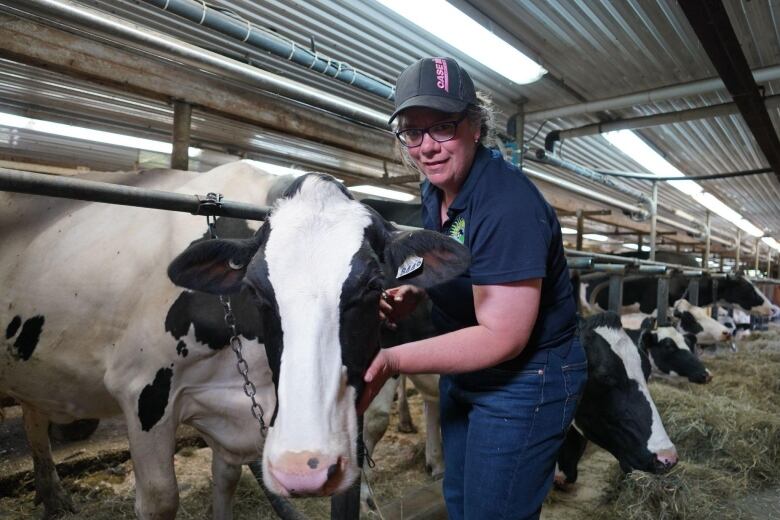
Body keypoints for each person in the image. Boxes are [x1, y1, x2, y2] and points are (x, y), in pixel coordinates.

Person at [357, 57, 587, 520]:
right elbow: (452, 257)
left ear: (476, 127)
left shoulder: (507, 206)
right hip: (468, 366)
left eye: (443, 127)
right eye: (412, 132)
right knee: (461, 501)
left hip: (524, 378)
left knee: (493, 512)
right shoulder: (436, 190)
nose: (427, 147)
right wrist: (417, 288)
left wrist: (393, 360)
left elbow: (504, 335)